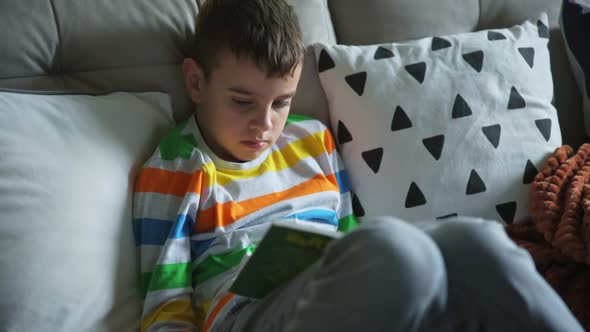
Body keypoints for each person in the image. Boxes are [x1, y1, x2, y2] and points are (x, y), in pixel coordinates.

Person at [132, 0, 584, 331]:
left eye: (281, 103)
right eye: (242, 102)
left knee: (477, 240)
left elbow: (344, 236)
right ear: (195, 81)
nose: (264, 124)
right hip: (250, 316)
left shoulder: (312, 140)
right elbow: (165, 303)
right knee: (393, 248)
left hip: (338, 290)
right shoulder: (177, 166)